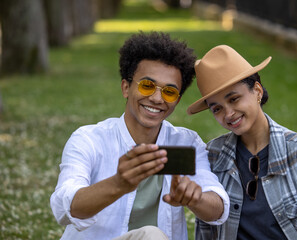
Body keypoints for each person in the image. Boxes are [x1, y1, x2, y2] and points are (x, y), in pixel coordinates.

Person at [50, 32, 229, 240]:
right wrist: (118, 184)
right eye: (147, 86)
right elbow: (66, 207)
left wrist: (195, 198)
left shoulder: (183, 144)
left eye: (169, 92)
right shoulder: (91, 140)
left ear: (177, 100)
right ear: (126, 87)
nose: (156, 98)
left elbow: (218, 208)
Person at [187, 45, 297, 240]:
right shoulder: (212, 157)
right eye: (217, 109)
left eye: (234, 99)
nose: (228, 113)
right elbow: (206, 232)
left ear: (257, 91)